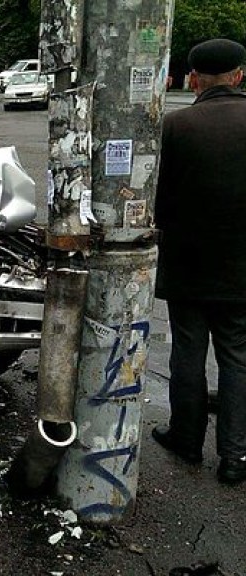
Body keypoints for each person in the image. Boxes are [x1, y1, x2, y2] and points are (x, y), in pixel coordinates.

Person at [152, 38, 246, 485]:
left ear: (193, 79)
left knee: (187, 354)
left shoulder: (176, 125)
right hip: (242, 271)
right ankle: (236, 457)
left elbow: (159, 201)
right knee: (238, 359)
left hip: (188, 266)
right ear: (239, 75)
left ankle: (186, 440)